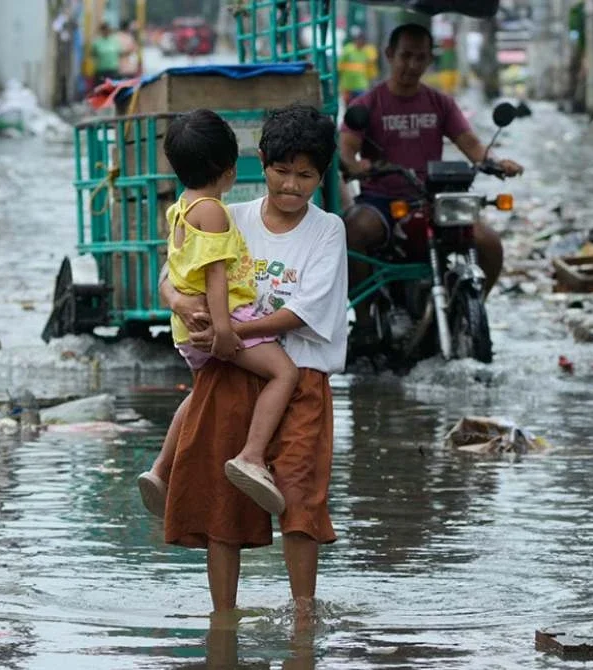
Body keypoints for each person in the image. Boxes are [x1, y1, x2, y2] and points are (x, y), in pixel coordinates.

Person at [155, 104, 347, 616]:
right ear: (259, 164)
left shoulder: (328, 231)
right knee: (225, 504)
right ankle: (224, 617)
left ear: (322, 176)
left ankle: (303, 612)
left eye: (305, 176)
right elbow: (171, 275)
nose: (291, 185)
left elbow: (303, 312)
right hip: (231, 372)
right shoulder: (227, 214)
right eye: (281, 171)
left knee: (300, 497)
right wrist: (182, 306)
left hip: (301, 375)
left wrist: (231, 331)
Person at [137, 109, 300, 517]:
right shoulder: (212, 211)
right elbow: (216, 277)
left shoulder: (180, 208)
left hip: (186, 328)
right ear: (228, 170)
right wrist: (227, 333)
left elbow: (176, 269)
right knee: (285, 373)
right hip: (221, 321)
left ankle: (160, 469)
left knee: (199, 394)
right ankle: (252, 455)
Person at [340, 23, 525, 344]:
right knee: (352, 231)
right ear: (389, 55)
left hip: (431, 199)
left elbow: (471, 145)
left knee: (490, 243)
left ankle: (472, 308)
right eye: (405, 56)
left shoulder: (441, 103)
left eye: (420, 58)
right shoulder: (367, 105)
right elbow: (346, 147)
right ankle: (365, 319)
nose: (412, 65)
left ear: (429, 60)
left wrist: (496, 163)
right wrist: (357, 165)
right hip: (383, 200)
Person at [338, 26, 378, 106]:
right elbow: (340, 66)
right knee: (349, 106)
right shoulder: (348, 50)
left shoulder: (366, 51)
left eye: (363, 41)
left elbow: (372, 61)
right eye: (359, 40)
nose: (361, 43)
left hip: (361, 85)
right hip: (348, 85)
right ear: (355, 40)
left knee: (361, 106)